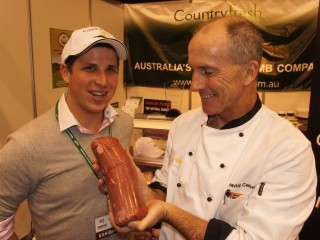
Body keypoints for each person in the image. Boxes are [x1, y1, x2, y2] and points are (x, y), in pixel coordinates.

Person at [99, 17, 318, 240]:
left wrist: (169, 213)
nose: (194, 85)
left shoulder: (288, 149)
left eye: (208, 71)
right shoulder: (183, 125)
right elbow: (166, 192)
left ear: (250, 72)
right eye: (193, 70)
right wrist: (139, 187)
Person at [0, 26, 133, 240]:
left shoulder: (123, 124)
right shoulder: (27, 144)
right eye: (90, 68)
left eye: (111, 69)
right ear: (66, 72)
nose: (103, 81)